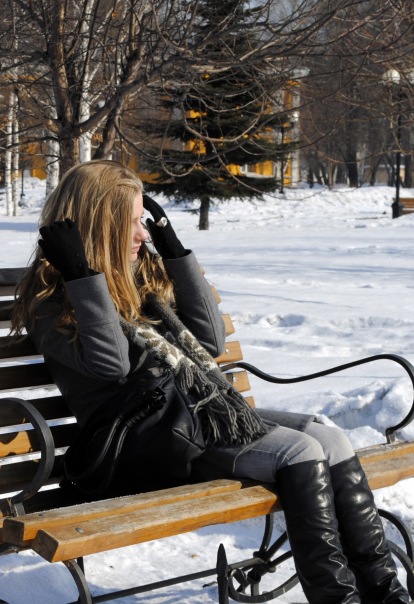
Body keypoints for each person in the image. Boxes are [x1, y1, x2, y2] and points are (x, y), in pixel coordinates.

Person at [11, 159, 410, 604]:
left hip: (192, 421)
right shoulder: (54, 299)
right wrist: (83, 277)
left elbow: (210, 341)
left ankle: (386, 593)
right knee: (301, 451)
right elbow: (113, 365)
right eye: (132, 224)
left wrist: (175, 250)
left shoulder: (137, 278)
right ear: (100, 228)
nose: (144, 234)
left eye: (145, 221)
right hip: (146, 446)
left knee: (330, 438)